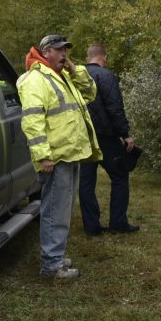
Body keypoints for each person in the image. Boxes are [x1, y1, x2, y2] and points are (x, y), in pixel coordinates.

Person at [18, 34, 100, 279]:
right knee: (55, 210)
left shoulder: (63, 75)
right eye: (60, 50)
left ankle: (54, 256)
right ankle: (51, 265)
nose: (65, 54)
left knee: (62, 210)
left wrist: (76, 69)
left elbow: (90, 92)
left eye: (66, 50)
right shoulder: (36, 79)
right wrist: (44, 156)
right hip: (55, 158)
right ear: (46, 52)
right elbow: (32, 121)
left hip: (70, 153)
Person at [77, 42, 139, 235]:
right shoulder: (106, 76)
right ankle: (118, 222)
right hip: (105, 136)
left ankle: (92, 226)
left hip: (83, 135)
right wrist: (125, 134)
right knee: (120, 176)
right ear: (104, 57)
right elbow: (114, 108)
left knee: (86, 181)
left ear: (88, 58)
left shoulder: (74, 76)